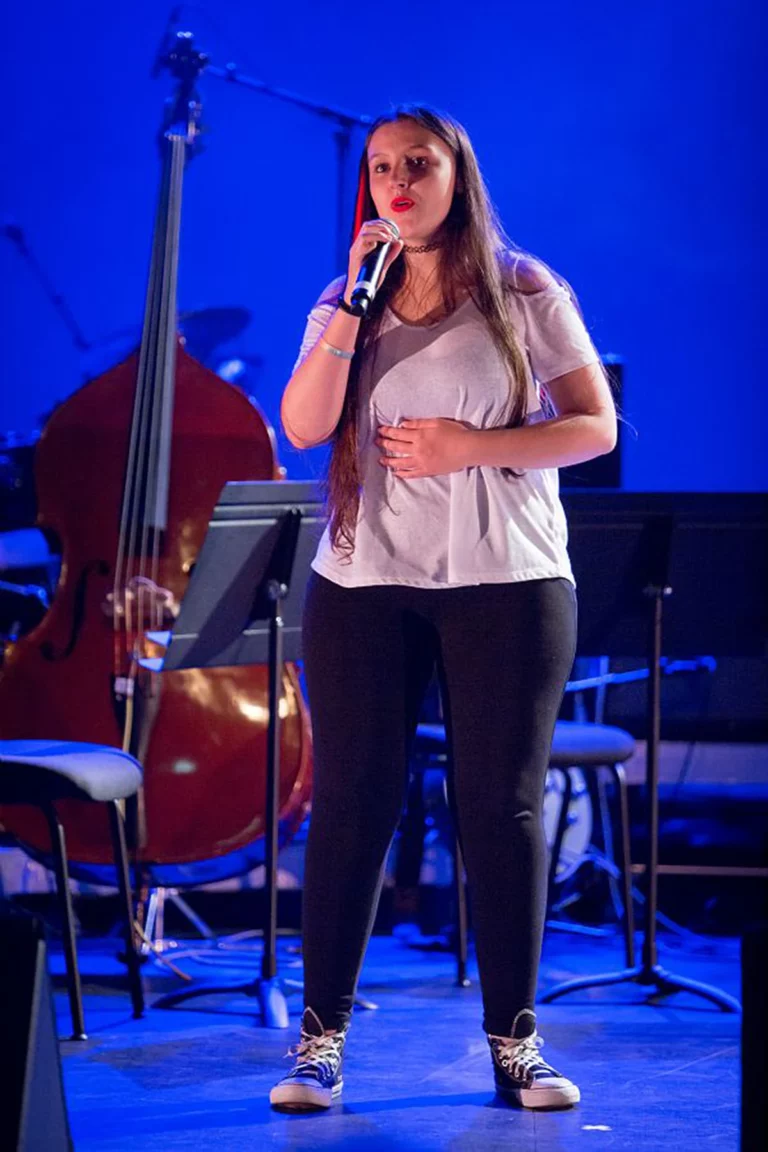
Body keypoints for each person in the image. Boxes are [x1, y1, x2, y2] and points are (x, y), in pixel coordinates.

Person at [270, 104, 616, 1113]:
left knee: (499, 809)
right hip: (365, 580)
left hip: (505, 579)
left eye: (417, 164)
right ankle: (319, 1045)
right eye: (381, 169)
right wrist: (353, 308)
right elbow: (303, 424)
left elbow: (592, 426)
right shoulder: (347, 297)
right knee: (351, 806)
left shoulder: (522, 289)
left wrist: (472, 448)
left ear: (457, 176)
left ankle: (517, 1044)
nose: (397, 183)